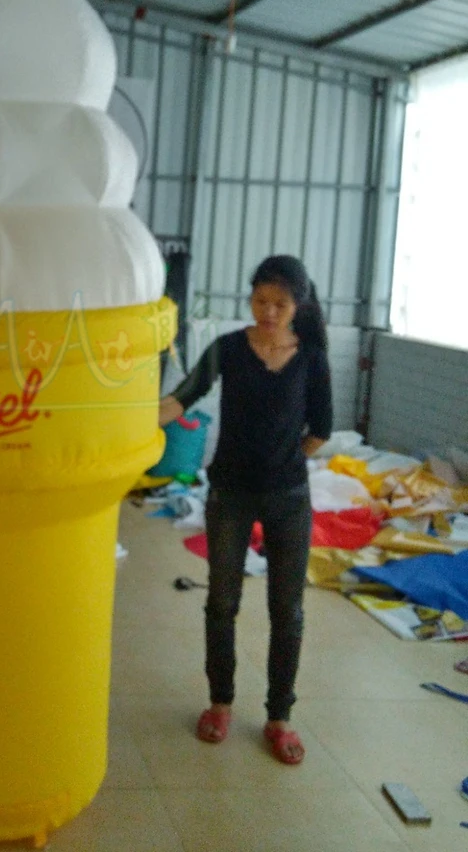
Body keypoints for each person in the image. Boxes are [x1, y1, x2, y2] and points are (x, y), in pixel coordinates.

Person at [158, 255, 332, 766]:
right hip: (230, 494)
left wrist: (282, 461)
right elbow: (182, 398)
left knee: (288, 610)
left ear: (298, 305)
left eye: (280, 304)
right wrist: (133, 419)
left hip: (288, 498)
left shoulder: (312, 359)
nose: (268, 312)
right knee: (222, 603)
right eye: (260, 301)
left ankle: (279, 717)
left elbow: (321, 429)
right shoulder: (229, 348)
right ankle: (220, 703)